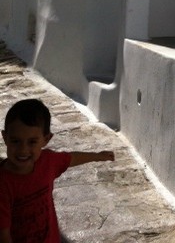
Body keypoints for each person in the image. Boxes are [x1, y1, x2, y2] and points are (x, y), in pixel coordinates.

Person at [0, 98, 115, 243]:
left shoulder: (47, 162)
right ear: (5, 137)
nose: (23, 150)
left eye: (32, 142)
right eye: (15, 141)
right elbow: (3, 234)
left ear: (46, 139)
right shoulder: (3, 184)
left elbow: (71, 159)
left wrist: (97, 156)